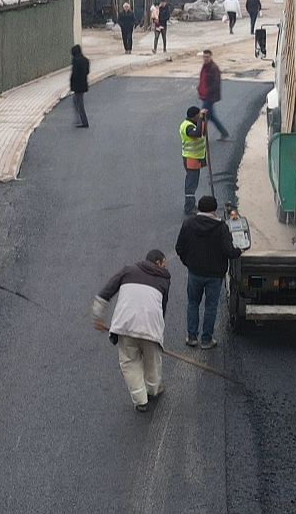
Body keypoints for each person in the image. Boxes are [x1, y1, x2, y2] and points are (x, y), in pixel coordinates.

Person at [92, 249, 172, 412]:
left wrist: (98, 317)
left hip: (125, 325)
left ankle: (140, 400)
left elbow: (104, 294)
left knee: (129, 362)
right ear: (158, 262)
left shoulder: (128, 270)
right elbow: (161, 309)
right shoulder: (164, 280)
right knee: (152, 361)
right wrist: (157, 332)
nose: (165, 267)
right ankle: (152, 389)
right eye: (164, 263)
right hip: (150, 328)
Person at [175, 195, 242, 351]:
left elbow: (179, 248)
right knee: (211, 307)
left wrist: (188, 262)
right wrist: (238, 251)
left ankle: (192, 337)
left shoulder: (188, 224)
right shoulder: (221, 228)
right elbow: (228, 251)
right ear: (214, 209)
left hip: (194, 273)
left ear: (199, 208)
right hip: (214, 275)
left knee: (193, 304)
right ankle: (206, 339)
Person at [180, 106, 208, 216]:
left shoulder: (192, 124)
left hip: (195, 158)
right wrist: (201, 118)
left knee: (193, 183)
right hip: (191, 158)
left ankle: (191, 205)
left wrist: (203, 120)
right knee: (191, 184)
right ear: (195, 116)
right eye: (198, 115)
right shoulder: (187, 127)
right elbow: (197, 134)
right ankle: (189, 207)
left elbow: (202, 132)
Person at [197, 49, 230, 141]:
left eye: (207, 57)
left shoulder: (213, 68)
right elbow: (203, 79)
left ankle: (199, 135)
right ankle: (224, 133)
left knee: (203, 116)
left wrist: (207, 91)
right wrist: (199, 88)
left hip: (209, 97)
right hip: (204, 95)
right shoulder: (205, 66)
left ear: (211, 57)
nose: (205, 59)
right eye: (204, 57)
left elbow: (216, 83)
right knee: (211, 117)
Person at [69, 45, 89, 128]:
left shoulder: (76, 61)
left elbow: (75, 74)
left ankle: (84, 121)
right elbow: (87, 71)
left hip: (77, 85)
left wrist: (72, 83)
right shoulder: (85, 60)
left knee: (79, 104)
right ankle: (78, 119)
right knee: (76, 101)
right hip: (84, 83)